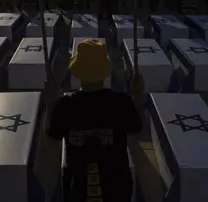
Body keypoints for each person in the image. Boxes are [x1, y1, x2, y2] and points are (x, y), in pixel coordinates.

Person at [46, 39, 144, 202]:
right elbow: (137, 133)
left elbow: (51, 140)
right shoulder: (121, 102)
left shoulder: (64, 105)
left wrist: (50, 102)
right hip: (117, 190)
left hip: (78, 191)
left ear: (77, 71)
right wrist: (138, 97)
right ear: (105, 71)